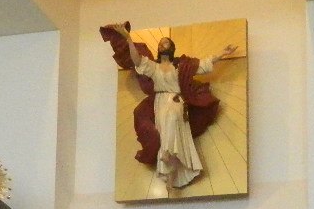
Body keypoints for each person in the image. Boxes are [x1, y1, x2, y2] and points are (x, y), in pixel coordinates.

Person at [101, 22, 236, 188]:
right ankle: (170, 162)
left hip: (176, 100)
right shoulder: (154, 67)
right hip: (160, 102)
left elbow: (204, 64)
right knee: (163, 129)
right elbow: (136, 60)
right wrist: (128, 37)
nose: (161, 45)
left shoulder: (182, 67)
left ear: (172, 48)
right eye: (160, 43)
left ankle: (167, 152)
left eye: (165, 43)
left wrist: (223, 53)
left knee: (172, 115)